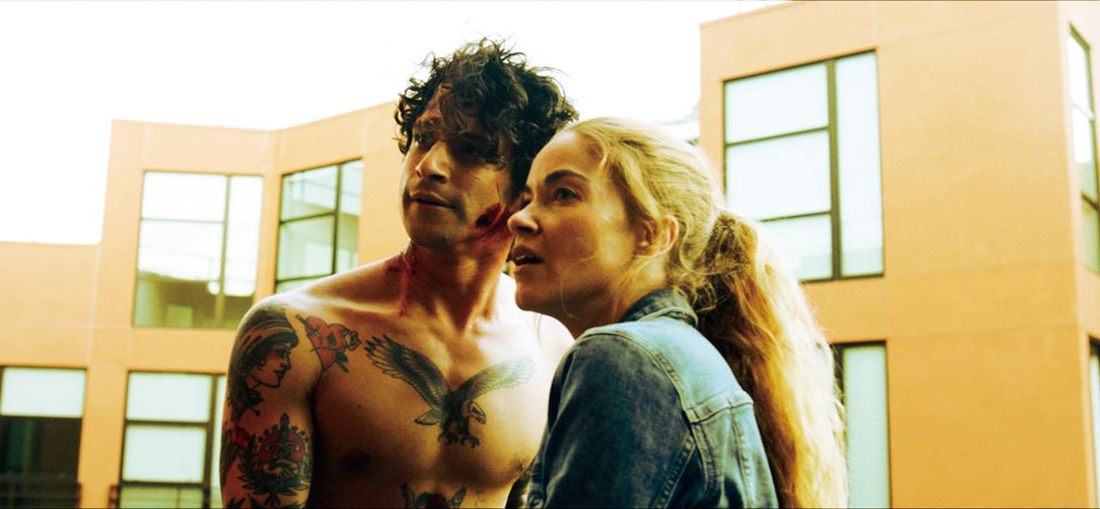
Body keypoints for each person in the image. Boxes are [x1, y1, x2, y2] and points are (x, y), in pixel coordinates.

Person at [220, 38, 578, 508]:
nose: (429, 166)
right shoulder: (295, 334)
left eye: (471, 150)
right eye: (423, 138)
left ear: (524, 190)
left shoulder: (550, 345)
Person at [507, 117, 848, 508]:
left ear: (652, 235)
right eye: (527, 199)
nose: (519, 218)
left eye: (564, 194)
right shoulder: (679, 358)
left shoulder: (622, 359)